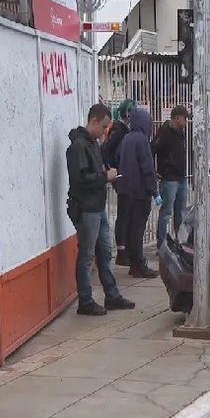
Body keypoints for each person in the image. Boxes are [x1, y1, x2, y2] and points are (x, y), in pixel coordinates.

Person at [66, 104, 135, 316]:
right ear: (94, 121)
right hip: (87, 208)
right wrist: (105, 176)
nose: (105, 131)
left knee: (105, 252)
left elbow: (94, 172)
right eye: (104, 126)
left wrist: (106, 173)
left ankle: (112, 295)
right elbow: (80, 180)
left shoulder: (93, 145)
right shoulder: (78, 147)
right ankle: (85, 300)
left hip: (98, 206)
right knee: (87, 255)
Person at [117, 108, 161, 278]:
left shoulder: (127, 138)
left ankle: (133, 262)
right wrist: (154, 191)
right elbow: (147, 168)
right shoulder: (142, 140)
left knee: (129, 229)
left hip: (125, 190)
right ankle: (139, 265)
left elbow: (118, 159)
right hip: (140, 193)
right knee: (138, 230)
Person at [101, 98, 136, 266]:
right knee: (124, 212)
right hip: (120, 176)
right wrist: (111, 169)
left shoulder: (126, 130)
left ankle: (126, 249)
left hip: (124, 176)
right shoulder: (119, 131)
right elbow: (105, 149)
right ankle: (122, 251)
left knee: (128, 212)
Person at [153, 106, 190, 249]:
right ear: (177, 118)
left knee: (180, 213)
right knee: (166, 213)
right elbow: (153, 149)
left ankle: (180, 243)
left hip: (181, 177)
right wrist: (155, 170)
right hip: (169, 178)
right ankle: (161, 245)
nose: (186, 121)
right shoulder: (164, 132)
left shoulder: (181, 132)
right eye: (185, 118)